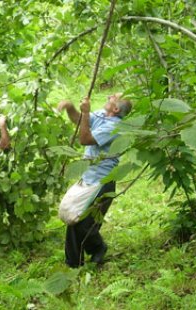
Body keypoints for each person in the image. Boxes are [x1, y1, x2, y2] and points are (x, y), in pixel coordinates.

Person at [57, 93, 132, 268]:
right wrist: (70, 106)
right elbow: (80, 120)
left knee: (84, 224)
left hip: (102, 181)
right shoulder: (101, 115)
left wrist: (85, 113)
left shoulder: (115, 126)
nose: (109, 95)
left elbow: (85, 139)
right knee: (75, 219)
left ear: (115, 109)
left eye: (114, 97)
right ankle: (78, 260)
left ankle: (93, 253)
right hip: (89, 177)